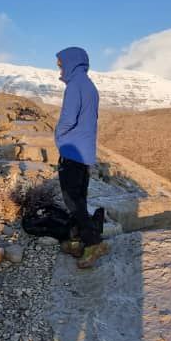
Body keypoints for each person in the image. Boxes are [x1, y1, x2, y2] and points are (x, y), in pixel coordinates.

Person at [54, 47, 108, 268]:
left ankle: (93, 243)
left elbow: (68, 119)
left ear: (71, 62)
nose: (60, 69)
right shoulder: (88, 85)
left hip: (72, 151)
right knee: (79, 198)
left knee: (72, 200)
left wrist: (58, 136)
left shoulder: (75, 85)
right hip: (84, 152)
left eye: (61, 64)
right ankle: (77, 240)